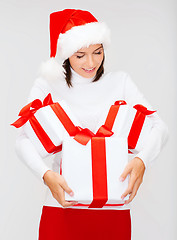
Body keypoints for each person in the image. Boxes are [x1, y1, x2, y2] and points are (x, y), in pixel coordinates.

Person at [14, 9, 169, 240]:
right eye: (80, 55)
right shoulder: (48, 85)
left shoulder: (120, 82)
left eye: (98, 52)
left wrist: (141, 161)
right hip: (62, 207)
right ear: (65, 54)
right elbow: (23, 139)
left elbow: (160, 128)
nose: (91, 62)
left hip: (113, 210)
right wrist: (46, 175)